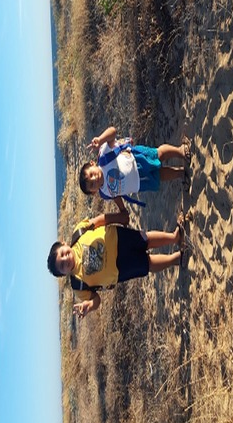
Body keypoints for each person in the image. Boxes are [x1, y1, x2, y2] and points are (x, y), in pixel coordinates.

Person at [46, 205, 189, 318]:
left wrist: (119, 217)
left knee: (146, 239)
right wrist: (88, 306)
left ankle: (175, 237)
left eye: (63, 254)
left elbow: (99, 221)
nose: (66, 259)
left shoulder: (78, 233)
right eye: (62, 265)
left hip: (118, 237)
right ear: (64, 274)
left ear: (64, 244)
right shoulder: (78, 286)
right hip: (119, 269)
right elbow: (96, 300)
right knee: (147, 263)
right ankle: (176, 259)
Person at [79, 125, 191, 205]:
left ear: (92, 163)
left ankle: (180, 151)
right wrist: (122, 210)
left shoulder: (103, 158)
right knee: (159, 176)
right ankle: (180, 173)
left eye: (91, 174)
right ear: (94, 192)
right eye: (92, 185)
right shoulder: (104, 194)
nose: (95, 179)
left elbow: (113, 131)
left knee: (158, 154)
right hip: (138, 184)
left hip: (136, 160)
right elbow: (116, 196)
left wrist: (100, 139)